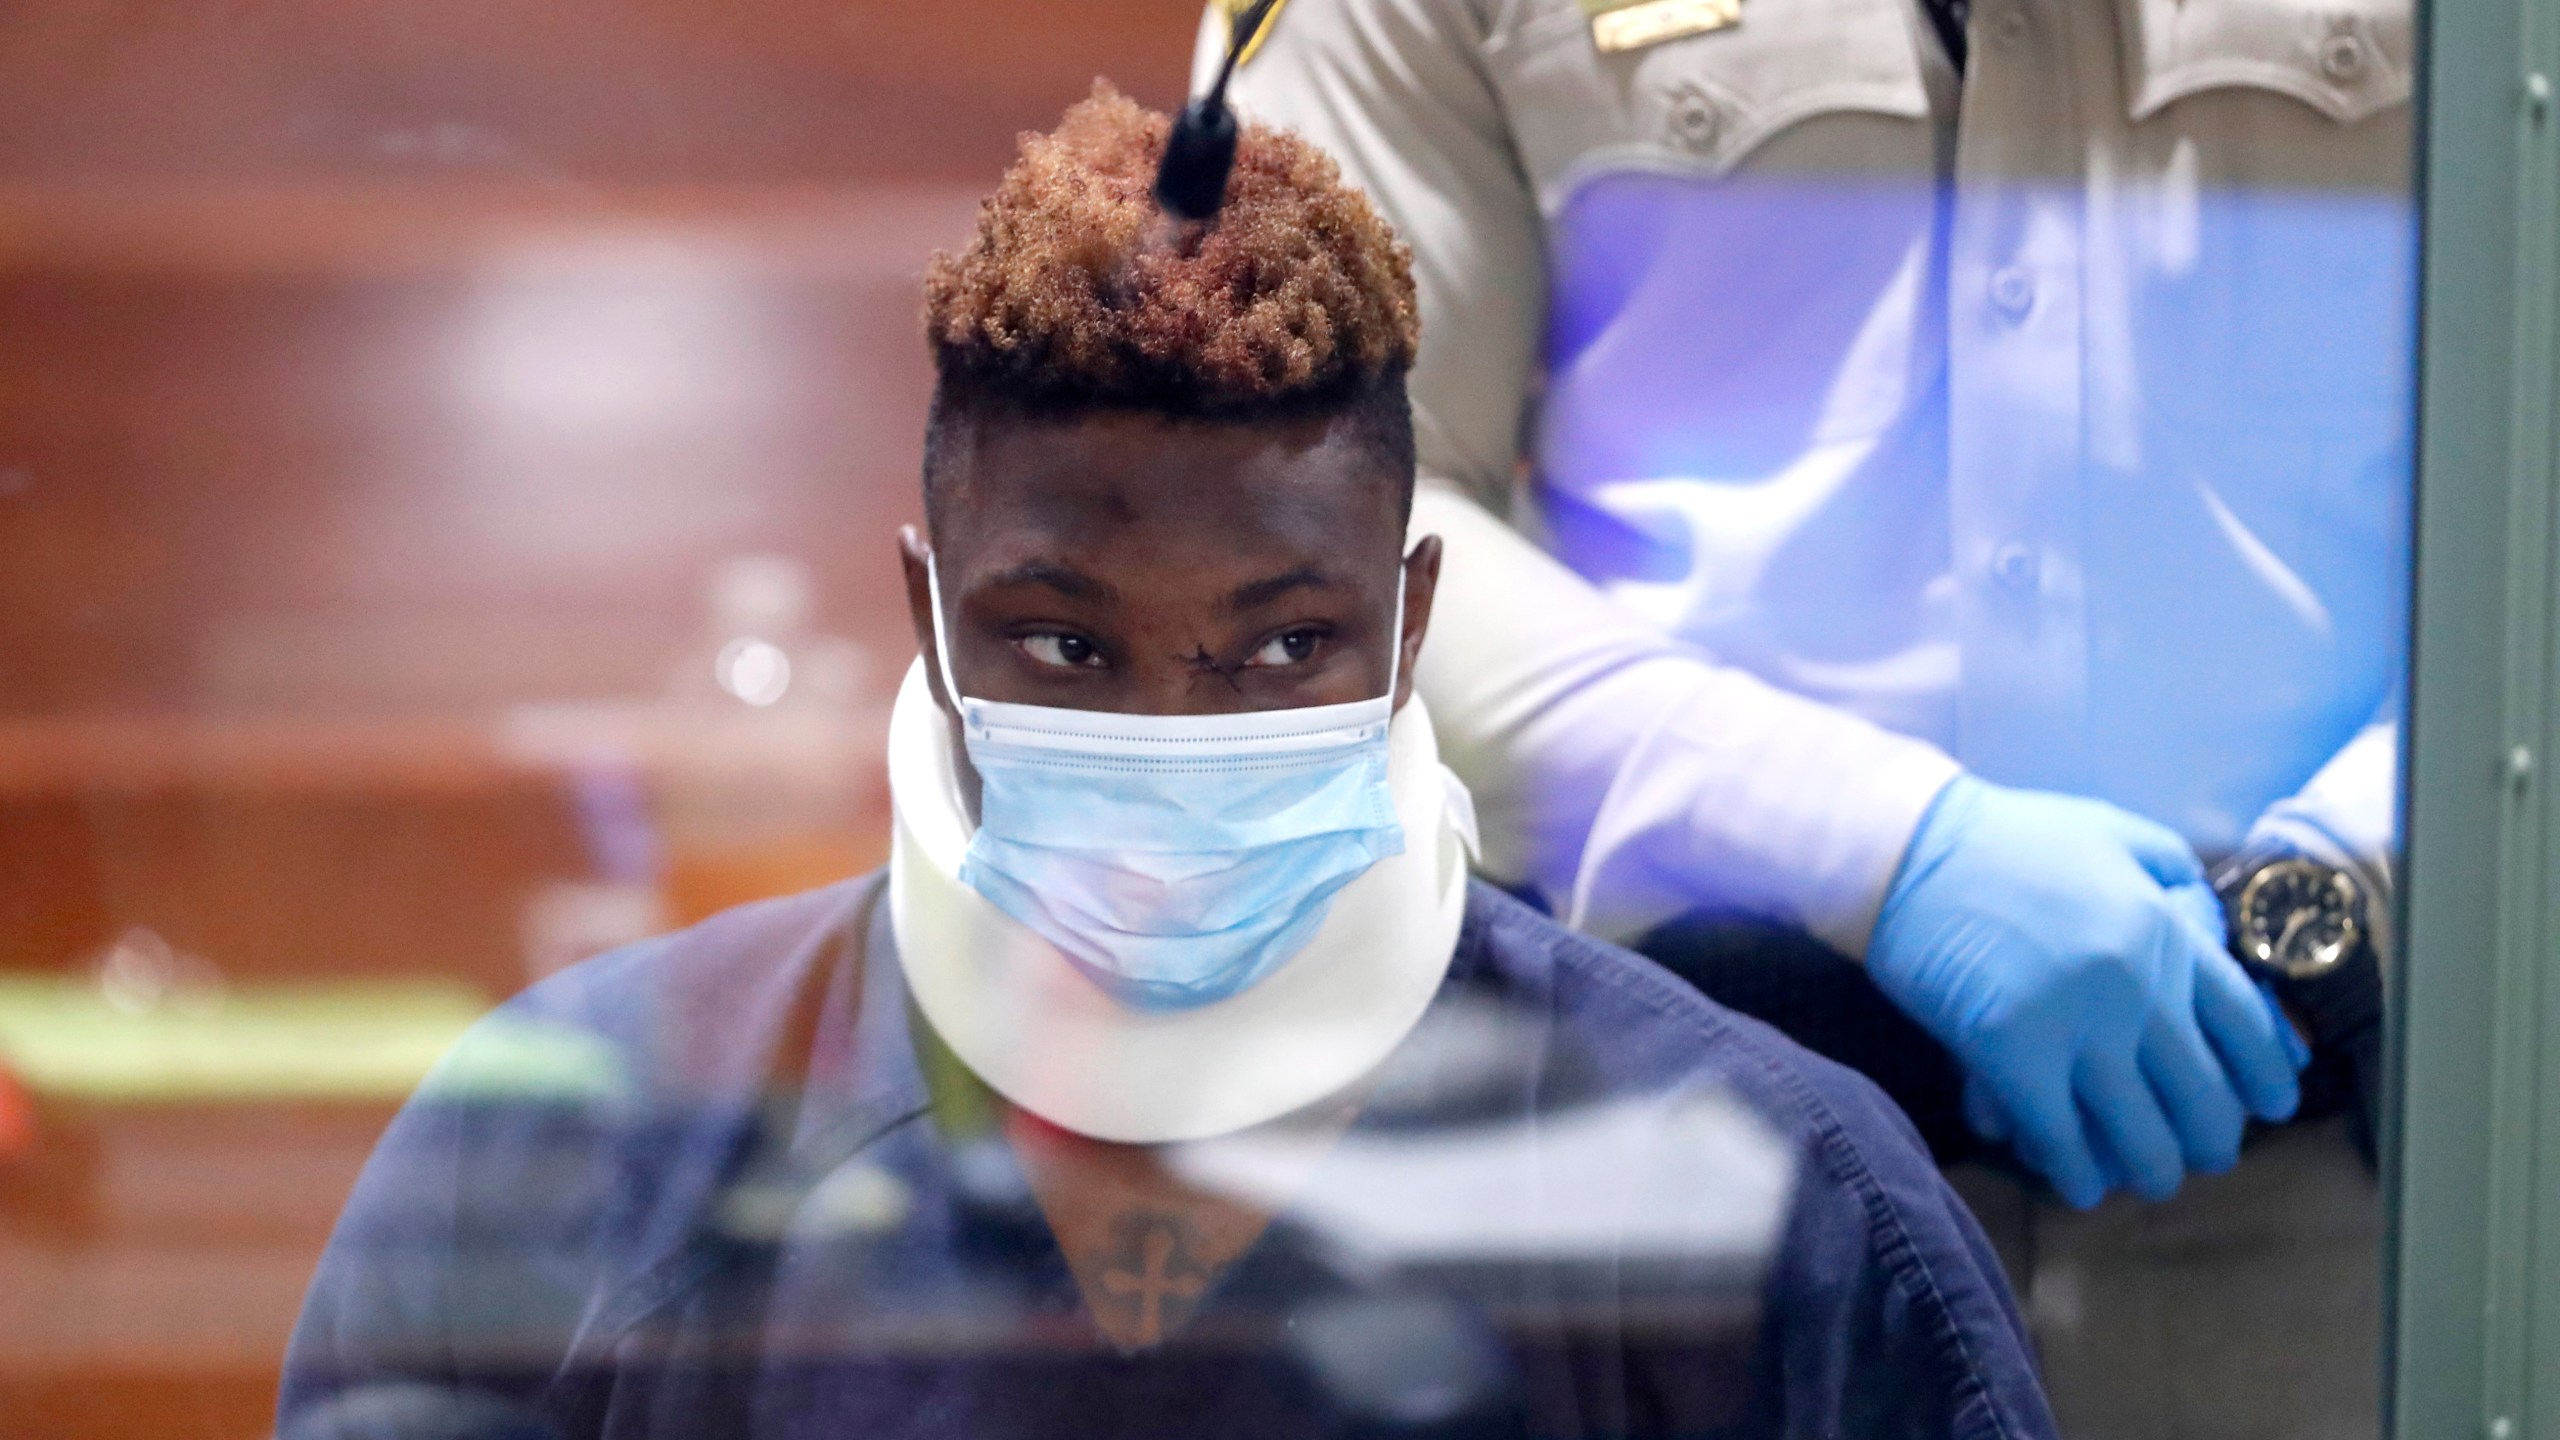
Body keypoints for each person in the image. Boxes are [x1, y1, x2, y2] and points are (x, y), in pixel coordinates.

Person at [277, 88, 2055, 1440]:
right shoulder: (564, 1166)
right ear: (927, 615)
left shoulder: (1776, 1211)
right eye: (1063, 643)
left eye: (1285, 645)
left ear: (1410, 618)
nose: (1171, 744)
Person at [1200, 0, 2408, 1434]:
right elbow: (1273, 496)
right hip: (1697, 1219)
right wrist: (1880, 853)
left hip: (2374, 1199)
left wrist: (2365, 874)